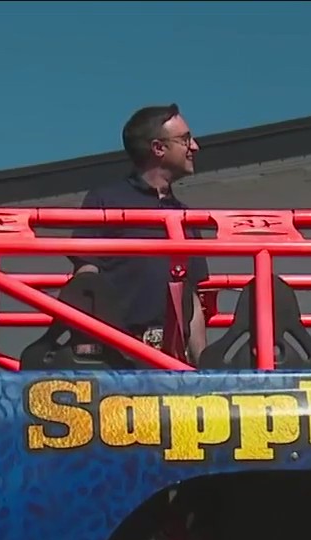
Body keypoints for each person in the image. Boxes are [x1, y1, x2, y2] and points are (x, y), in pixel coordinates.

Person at [68, 104, 210, 364]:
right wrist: (87, 356)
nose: (195, 147)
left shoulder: (186, 215)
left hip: (173, 362)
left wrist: (202, 369)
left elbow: (191, 298)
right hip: (116, 359)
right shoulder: (105, 200)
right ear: (158, 148)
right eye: (185, 139)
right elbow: (86, 279)